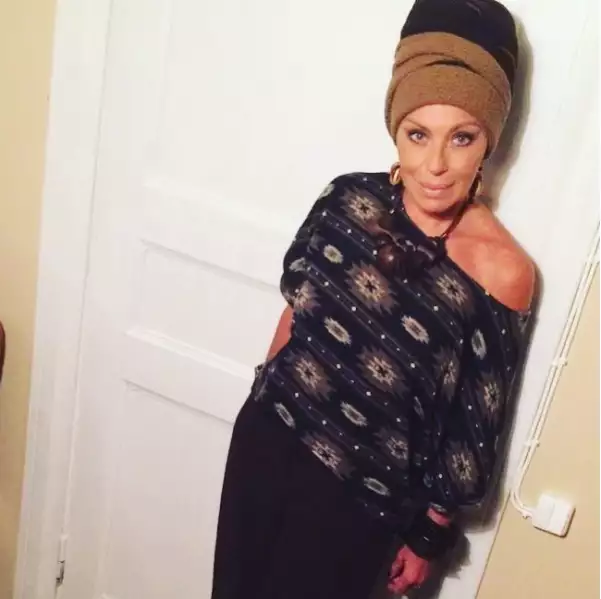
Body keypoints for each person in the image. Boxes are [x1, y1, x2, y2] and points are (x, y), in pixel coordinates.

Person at [211, 0, 536, 597]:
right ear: (396, 130)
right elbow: (295, 311)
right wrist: (261, 398)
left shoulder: (503, 272)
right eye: (418, 135)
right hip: (267, 441)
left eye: (461, 138)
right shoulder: (346, 200)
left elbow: (474, 425)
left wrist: (430, 535)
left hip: (358, 502)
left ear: (487, 142)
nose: (435, 165)